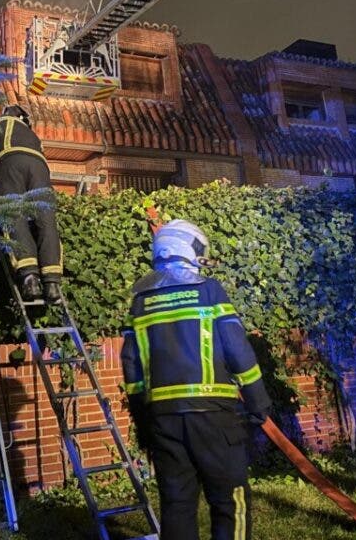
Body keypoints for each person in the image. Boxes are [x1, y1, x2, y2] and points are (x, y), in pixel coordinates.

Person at [121, 220, 272, 540]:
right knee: (230, 500)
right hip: (213, 417)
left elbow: (131, 365)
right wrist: (259, 401)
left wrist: (142, 418)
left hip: (163, 419)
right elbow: (237, 349)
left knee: (176, 503)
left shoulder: (140, 301)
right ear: (185, 248)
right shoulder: (208, 291)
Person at [0, 104, 64, 303]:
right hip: (40, 169)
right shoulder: (33, 135)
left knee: (15, 217)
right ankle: (52, 284)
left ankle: (30, 278)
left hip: (10, 164)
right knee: (45, 220)